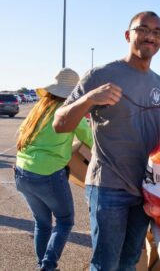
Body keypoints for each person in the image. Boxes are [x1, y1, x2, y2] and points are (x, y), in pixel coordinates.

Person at [53, 11, 160, 270]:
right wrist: (90, 98)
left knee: (129, 262)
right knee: (106, 264)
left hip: (147, 190)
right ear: (128, 35)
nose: (150, 36)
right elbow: (60, 123)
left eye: (157, 32)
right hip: (108, 187)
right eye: (143, 29)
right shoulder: (100, 75)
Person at [15, 68, 93, 271]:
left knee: (42, 222)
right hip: (48, 174)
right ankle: (48, 267)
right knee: (65, 221)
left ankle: (42, 264)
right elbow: (89, 138)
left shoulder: (39, 107)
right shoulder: (69, 111)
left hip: (22, 170)